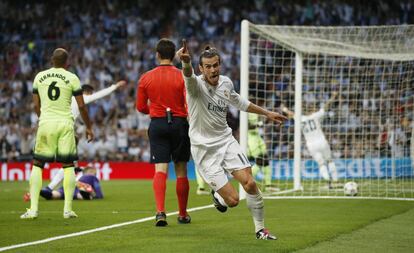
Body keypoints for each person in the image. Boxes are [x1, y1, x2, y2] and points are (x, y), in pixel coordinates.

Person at [177, 41, 287, 240]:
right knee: (234, 200)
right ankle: (218, 195)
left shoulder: (226, 83)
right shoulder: (196, 87)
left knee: (250, 183)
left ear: (220, 64)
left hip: (226, 141)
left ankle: (260, 230)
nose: (213, 70)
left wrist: (267, 113)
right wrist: (186, 63)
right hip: (204, 150)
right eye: (208, 66)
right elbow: (188, 77)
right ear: (201, 69)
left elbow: (240, 102)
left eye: (216, 65)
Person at [20, 48, 94, 219]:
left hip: (46, 123)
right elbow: (82, 106)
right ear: (67, 63)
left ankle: (33, 210)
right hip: (65, 124)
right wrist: (89, 127)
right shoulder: (72, 77)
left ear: (51, 60)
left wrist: (43, 119)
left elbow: (36, 105)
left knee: (38, 165)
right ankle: (67, 210)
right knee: (68, 166)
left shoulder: (39, 77)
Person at [136, 38, 191, 226]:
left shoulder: (146, 77)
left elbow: (140, 106)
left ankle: (160, 212)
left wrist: (153, 110)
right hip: (179, 123)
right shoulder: (182, 76)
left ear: (157, 55)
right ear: (173, 54)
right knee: (181, 169)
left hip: (158, 124)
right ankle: (183, 214)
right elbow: (188, 102)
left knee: (160, 169)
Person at [283, 92, 339, 187]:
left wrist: (284, 109)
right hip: (322, 141)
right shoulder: (315, 116)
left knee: (321, 164)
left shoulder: (300, 118)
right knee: (329, 160)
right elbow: (325, 107)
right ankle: (336, 181)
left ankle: (328, 181)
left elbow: (291, 114)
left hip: (311, 145)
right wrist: (333, 96)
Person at [248, 113, 279, 194]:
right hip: (251, 140)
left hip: (258, 138)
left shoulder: (254, 112)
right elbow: (248, 126)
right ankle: (247, 181)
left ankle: (268, 185)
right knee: (260, 161)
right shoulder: (245, 113)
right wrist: (259, 124)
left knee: (266, 162)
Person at [39, 167, 103, 200]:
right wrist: (98, 195)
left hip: (68, 185)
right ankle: (84, 195)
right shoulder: (92, 177)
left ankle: (47, 193)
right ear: (91, 171)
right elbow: (97, 188)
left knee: (57, 194)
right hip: (79, 187)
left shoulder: (80, 177)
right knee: (81, 194)